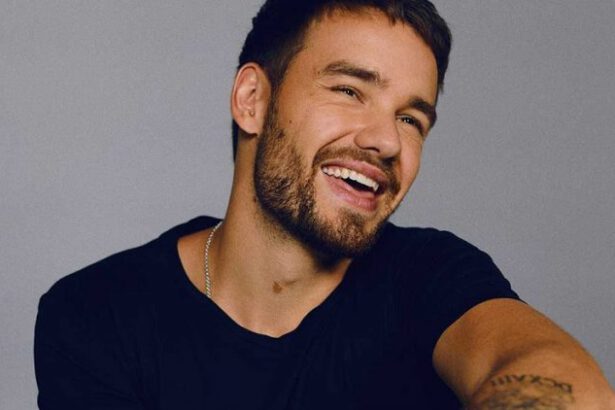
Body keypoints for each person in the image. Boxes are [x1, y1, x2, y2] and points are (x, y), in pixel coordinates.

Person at [34, 0, 615, 408]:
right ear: (253, 100)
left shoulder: (428, 276)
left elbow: (565, 383)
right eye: (349, 90)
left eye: (411, 119)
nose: (387, 141)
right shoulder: (97, 315)